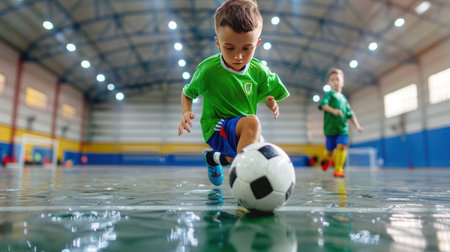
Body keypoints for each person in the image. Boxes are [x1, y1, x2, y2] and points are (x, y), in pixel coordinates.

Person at [178, 0, 290, 186]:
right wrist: (186, 112)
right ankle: (244, 186)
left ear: (257, 43)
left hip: (239, 126)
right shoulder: (208, 70)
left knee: (237, 156)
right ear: (218, 43)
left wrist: (270, 100)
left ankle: (212, 158)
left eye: (247, 48)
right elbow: (187, 93)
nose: (238, 56)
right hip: (215, 126)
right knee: (253, 124)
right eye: (230, 48)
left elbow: (264, 92)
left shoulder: (259, 71)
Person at [318, 68, 363, 177]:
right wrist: (334, 111)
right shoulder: (329, 95)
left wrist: (357, 126)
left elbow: (350, 114)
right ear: (329, 83)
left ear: (342, 82)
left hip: (342, 129)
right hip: (330, 130)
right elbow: (323, 105)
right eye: (332, 80)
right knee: (330, 152)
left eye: (337, 79)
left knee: (342, 146)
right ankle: (326, 159)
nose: (335, 82)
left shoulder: (344, 99)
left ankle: (338, 169)